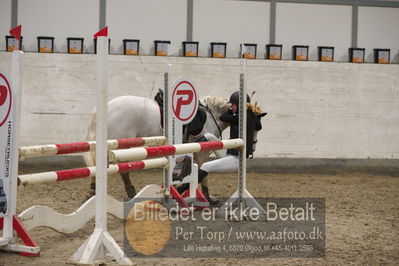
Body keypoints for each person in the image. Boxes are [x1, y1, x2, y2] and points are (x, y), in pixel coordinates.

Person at [176, 91, 266, 204]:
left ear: (239, 105)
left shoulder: (240, 117)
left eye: (233, 105)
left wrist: (239, 113)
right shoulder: (244, 116)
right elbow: (258, 125)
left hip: (236, 160)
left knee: (205, 166)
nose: (231, 107)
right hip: (230, 153)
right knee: (208, 136)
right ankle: (195, 150)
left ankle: (181, 189)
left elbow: (223, 117)